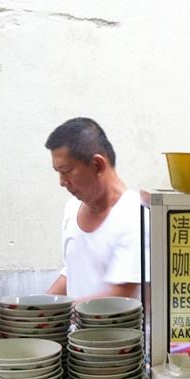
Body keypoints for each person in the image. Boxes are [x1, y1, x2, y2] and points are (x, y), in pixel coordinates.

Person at [44, 117, 142, 301]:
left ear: (97, 165)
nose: (62, 182)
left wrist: (54, 313)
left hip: (120, 330)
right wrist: (29, 311)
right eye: (58, 172)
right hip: (78, 329)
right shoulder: (72, 209)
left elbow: (121, 294)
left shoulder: (136, 215)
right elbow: (72, 273)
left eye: (66, 171)